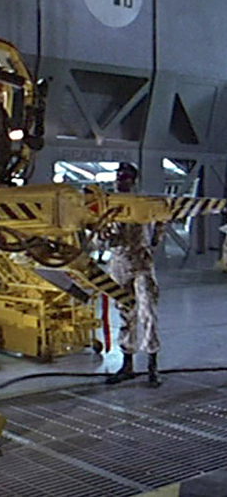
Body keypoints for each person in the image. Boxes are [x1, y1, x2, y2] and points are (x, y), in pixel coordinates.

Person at [104, 162, 163, 387]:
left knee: (147, 312)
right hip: (119, 264)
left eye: (125, 177)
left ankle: (152, 366)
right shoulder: (108, 204)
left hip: (141, 263)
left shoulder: (143, 203)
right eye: (119, 176)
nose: (121, 180)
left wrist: (153, 242)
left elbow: (162, 219)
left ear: (133, 180)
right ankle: (127, 364)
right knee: (125, 313)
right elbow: (101, 236)